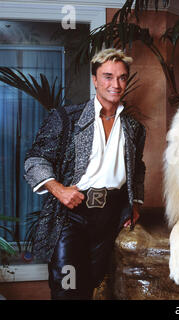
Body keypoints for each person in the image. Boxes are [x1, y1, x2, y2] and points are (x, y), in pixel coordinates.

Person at [24, 48, 146, 299]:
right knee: (67, 288)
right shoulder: (66, 117)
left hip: (110, 218)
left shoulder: (134, 128)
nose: (115, 84)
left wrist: (136, 203)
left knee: (93, 286)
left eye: (122, 77)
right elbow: (35, 160)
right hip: (71, 217)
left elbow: (138, 168)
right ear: (95, 80)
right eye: (108, 76)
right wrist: (59, 190)